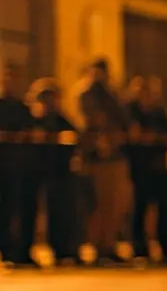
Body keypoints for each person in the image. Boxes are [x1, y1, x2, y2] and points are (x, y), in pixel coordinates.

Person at [77, 58, 132, 265]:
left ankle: (108, 244)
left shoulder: (111, 93)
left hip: (115, 155)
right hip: (95, 157)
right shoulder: (86, 93)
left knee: (114, 203)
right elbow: (89, 120)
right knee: (96, 204)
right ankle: (95, 245)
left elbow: (123, 118)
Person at [23, 79, 79, 266]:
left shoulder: (60, 118)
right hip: (33, 173)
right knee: (29, 212)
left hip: (59, 173)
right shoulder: (29, 118)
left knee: (60, 213)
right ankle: (24, 251)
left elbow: (74, 135)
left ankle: (62, 249)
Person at [126, 76, 167, 263]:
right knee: (140, 206)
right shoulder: (129, 112)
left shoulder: (159, 113)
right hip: (138, 166)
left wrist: (154, 138)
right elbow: (128, 137)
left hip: (159, 164)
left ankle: (164, 246)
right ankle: (139, 248)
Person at [0, 63, 32, 265]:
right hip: (2, 167)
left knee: (20, 209)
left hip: (20, 168)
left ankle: (19, 251)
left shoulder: (23, 108)